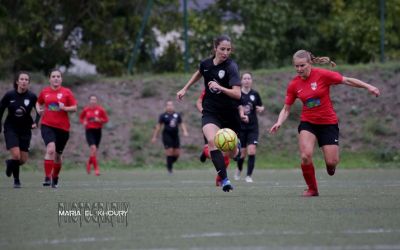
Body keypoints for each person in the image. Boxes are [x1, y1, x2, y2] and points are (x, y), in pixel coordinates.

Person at [269, 50, 380, 197]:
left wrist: (368, 86)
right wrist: (279, 122)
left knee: (332, 162)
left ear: (310, 63)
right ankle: (312, 189)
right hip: (308, 123)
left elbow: (347, 80)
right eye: (296, 66)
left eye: (302, 65)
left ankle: (330, 166)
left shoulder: (322, 75)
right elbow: (286, 109)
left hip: (328, 123)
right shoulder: (294, 84)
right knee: (305, 155)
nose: (299, 69)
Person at [177, 34, 241, 192]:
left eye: (228, 49)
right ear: (215, 48)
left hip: (230, 114)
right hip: (211, 112)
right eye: (222, 49)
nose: (225, 52)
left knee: (233, 154)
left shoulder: (231, 67)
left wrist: (220, 88)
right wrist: (185, 88)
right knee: (212, 141)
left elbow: (238, 94)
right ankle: (225, 180)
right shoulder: (206, 64)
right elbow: (199, 72)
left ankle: (237, 145)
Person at [36, 69, 77, 188]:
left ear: (61, 79)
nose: (56, 78)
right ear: (49, 79)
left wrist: (64, 108)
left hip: (63, 128)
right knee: (50, 149)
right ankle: (47, 177)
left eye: (58, 76)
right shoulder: (45, 92)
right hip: (47, 125)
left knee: (58, 156)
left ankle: (55, 177)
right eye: (53, 76)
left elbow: (74, 108)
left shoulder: (67, 92)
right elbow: (38, 103)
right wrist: (38, 109)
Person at [0, 71, 40, 188]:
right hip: (11, 128)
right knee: (16, 156)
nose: (24, 81)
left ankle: (10, 163)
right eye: (21, 79)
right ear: (17, 81)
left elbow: (38, 111)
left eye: (26, 80)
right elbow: (1, 109)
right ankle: (16, 181)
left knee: (22, 160)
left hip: (25, 130)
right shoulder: (9, 95)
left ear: (28, 82)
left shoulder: (32, 96)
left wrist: (35, 122)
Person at [196, 89, 230, 186]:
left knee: (226, 156)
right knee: (214, 149)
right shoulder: (209, 87)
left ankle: (220, 179)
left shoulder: (231, 87)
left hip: (225, 122)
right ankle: (206, 151)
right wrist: (205, 112)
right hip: (211, 122)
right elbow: (198, 102)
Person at [236, 72, 264, 183]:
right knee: (242, 153)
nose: (247, 80)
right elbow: (235, 108)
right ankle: (239, 169)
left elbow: (261, 106)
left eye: (249, 78)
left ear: (251, 81)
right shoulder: (237, 94)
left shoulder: (255, 94)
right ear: (241, 81)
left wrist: (261, 108)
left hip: (253, 127)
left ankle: (248, 175)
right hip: (241, 127)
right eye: (245, 78)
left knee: (251, 151)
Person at [151, 101, 188, 173]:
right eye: (168, 105)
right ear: (166, 107)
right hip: (167, 135)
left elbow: (181, 124)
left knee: (177, 153)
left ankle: (169, 163)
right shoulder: (163, 115)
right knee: (170, 151)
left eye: (171, 105)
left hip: (175, 135)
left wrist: (185, 131)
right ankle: (169, 169)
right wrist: (154, 137)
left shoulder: (177, 115)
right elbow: (158, 126)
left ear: (173, 106)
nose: (170, 106)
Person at [79, 95, 109, 176]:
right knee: (93, 148)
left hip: (98, 131)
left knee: (94, 151)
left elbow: (106, 119)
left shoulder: (100, 109)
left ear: (96, 101)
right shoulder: (86, 110)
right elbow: (81, 118)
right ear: (89, 101)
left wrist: (99, 120)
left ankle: (89, 164)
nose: (93, 101)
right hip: (89, 131)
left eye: (94, 99)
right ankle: (96, 170)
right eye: (91, 99)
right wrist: (83, 122)